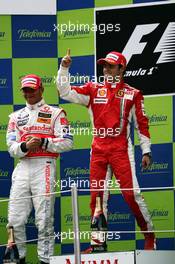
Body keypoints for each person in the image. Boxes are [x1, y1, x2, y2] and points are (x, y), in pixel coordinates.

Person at [56, 50, 156, 251]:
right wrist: (64, 68)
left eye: (110, 66)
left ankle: (150, 236)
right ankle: (98, 243)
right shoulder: (93, 88)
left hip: (121, 151)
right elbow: (65, 92)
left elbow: (142, 125)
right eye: (104, 65)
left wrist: (146, 151)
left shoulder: (133, 93)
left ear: (121, 68)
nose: (106, 69)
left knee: (131, 195)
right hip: (99, 151)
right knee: (98, 197)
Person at [6, 74, 73, 263]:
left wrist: (43, 142)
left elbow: (68, 143)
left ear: (41, 89)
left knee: (43, 220)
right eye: (25, 90)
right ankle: (18, 258)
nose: (29, 94)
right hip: (23, 167)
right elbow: (11, 148)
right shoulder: (15, 117)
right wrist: (26, 146)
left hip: (44, 165)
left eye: (32, 89)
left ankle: (45, 260)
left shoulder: (56, 113)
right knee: (14, 220)